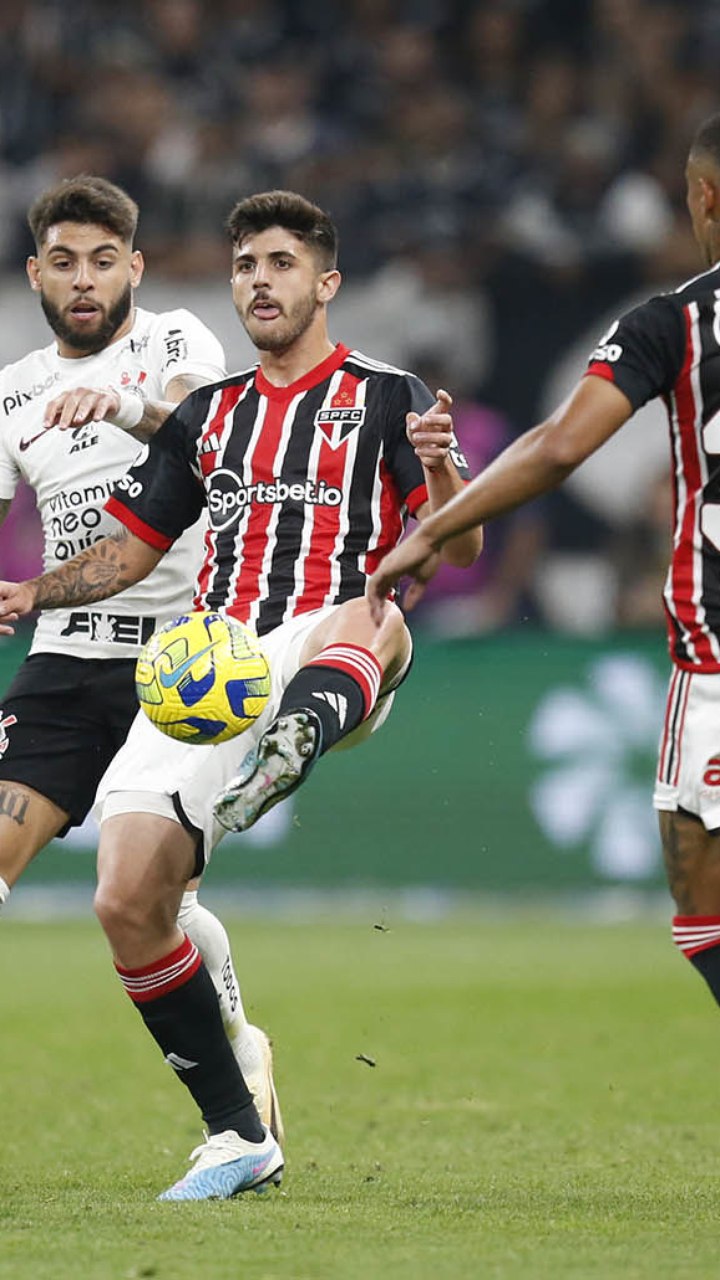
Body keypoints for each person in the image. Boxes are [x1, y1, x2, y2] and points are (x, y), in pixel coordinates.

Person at [0, 190, 482, 1199]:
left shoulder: (389, 397)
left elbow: (459, 547)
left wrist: (441, 480)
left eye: (281, 262)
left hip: (332, 638)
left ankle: (297, 740)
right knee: (128, 896)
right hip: (209, 660)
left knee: (372, 606)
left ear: (325, 282)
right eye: (246, 266)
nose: (261, 280)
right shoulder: (209, 417)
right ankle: (238, 1133)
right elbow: (132, 549)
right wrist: (33, 591)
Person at [366, 110, 720, 1068]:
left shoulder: (674, 319)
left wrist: (430, 528)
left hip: (718, 651)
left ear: (702, 200)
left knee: (699, 894)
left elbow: (561, 444)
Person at [0, 174, 281, 1138]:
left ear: (136, 266)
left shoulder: (176, 343)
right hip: (66, 661)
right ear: (36, 273)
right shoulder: (12, 393)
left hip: (182, 665)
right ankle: (236, 1075)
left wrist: (118, 403)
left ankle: (233, 1041)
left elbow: (196, 428)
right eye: (65, 262)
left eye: (104, 261)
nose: (85, 280)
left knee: (151, 896)